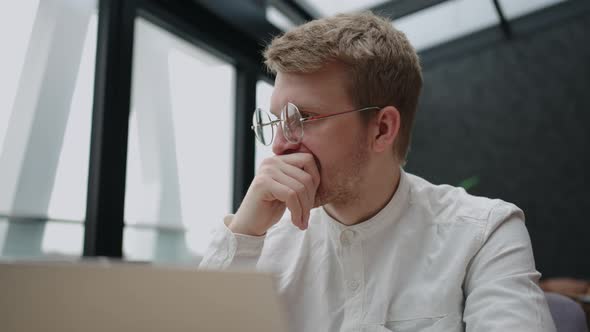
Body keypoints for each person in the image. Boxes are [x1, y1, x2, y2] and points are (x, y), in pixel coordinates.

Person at [199, 12, 556, 332]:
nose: (278, 146)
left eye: (303, 118)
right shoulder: (261, 241)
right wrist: (244, 234)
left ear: (382, 129)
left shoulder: (484, 232)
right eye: (277, 120)